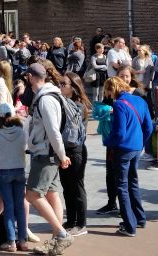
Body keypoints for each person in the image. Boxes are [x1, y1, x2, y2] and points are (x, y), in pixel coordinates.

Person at [23, 62, 73, 255]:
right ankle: (55, 240)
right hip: (49, 152)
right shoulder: (50, 95)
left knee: (32, 194)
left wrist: (62, 155)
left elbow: (53, 131)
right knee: (52, 194)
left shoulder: (45, 100)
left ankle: (60, 234)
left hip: (45, 153)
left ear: (30, 77)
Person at [103, 76, 152, 237]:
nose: (108, 95)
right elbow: (148, 127)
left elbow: (119, 133)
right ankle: (140, 218)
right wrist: (140, 142)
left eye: (108, 91)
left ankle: (130, 226)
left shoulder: (118, 104)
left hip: (122, 150)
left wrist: (108, 142)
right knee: (133, 183)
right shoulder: (140, 100)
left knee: (122, 187)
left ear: (113, 89)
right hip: (136, 148)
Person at [0, 103, 29, 251]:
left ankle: (11, 242)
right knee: (20, 207)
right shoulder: (21, 131)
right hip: (19, 170)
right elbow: (25, 147)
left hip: (4, 171)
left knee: (9, 207)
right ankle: (23, 240)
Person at [59, 73, 90, 233]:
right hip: (63, 150)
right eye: (60, 83)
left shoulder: (78, 105)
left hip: (75, 150)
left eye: (64, 83)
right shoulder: (64, 103)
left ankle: (81, 223)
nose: (61, 86)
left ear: (73, 87)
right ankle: (71, 220)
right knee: (66, 187)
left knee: (77, 187)